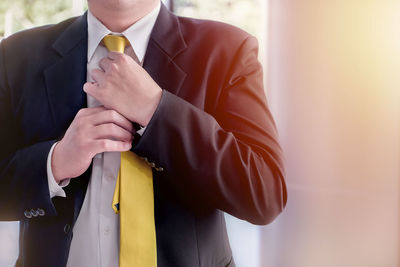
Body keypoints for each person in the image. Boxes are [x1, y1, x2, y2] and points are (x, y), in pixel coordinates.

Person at [0, 0, 287, 266]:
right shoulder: (15, 55)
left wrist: (156, 109)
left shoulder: (227, 50)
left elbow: (264, 193)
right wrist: (55, 162)